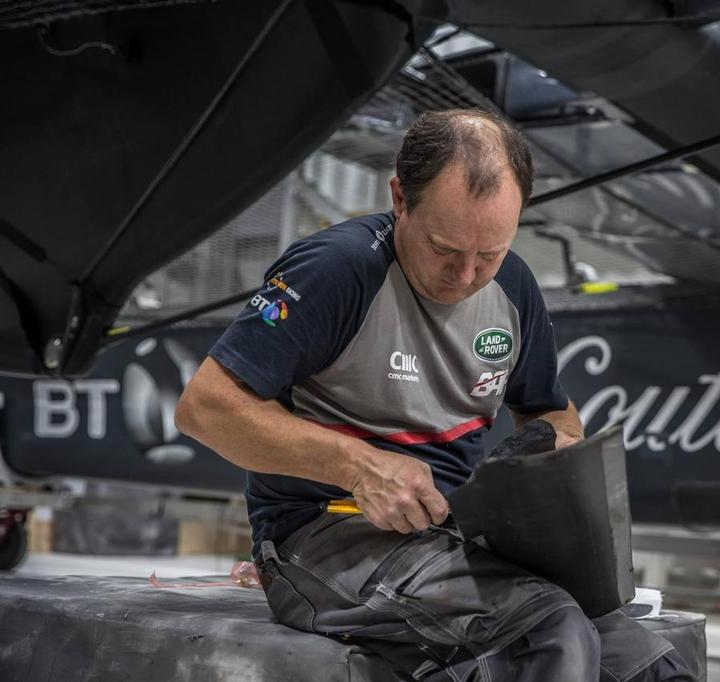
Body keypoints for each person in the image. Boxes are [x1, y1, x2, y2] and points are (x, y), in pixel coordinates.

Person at [176, 109, 694, 681]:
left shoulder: (514, 286)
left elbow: (547, 407)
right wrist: (358, 467)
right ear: (400, 198)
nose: (466, 275)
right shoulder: (338, 270)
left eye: (489, 253)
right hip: (324, 532)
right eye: (444, 247)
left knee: (651, 666)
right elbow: (205, 407)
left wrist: (560, 452)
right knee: (549, 634)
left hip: (455, 534)